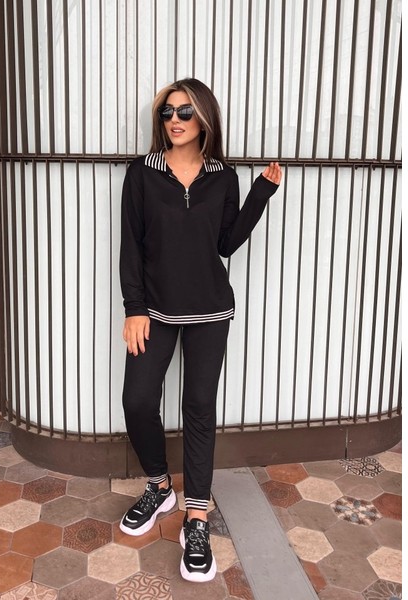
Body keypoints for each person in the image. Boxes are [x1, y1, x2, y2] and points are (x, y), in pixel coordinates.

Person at [119, 78, 282, 583]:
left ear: (204, 117)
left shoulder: (222, 176)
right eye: (167, 112)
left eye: (186, 111)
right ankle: (159, 486)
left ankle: (196, 517)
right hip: (155, 311)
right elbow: (130, 244)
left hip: (211, 310)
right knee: (138, 400)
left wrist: (260, 193)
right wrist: (134, 307)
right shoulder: (142, 174)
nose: (175, 119)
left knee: (199, 408)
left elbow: (226, 243)